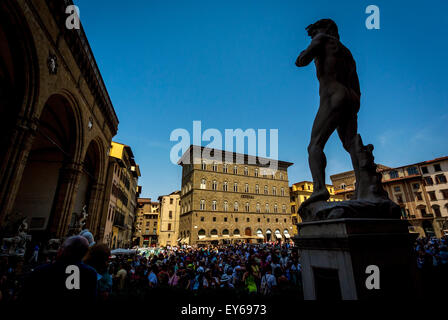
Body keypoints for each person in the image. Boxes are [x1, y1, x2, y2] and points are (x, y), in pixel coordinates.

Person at [295, 19, 361, 204]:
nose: (313, 36)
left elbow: (301, 61)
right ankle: (363, 185)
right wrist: (354, 105)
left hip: (333, 95)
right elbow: (356, 84)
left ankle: (319, 189)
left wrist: (306, 50)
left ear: (325, 29)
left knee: (314, 145)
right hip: (351, 98)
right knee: (350, 143)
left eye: (314, 32)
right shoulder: (347, 53)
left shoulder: (322, 39)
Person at [21, 235, 97, 303]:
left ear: (66, 250)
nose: (59, 249)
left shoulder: (42, 271)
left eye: (61, 247)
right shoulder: (90, 273)